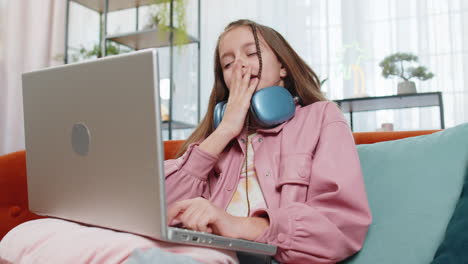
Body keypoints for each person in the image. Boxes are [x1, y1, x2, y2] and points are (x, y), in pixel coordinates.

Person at [164, 19, 372, 264]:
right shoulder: (216, 142)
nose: (239, 65)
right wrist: (225, 131)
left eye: (251, 53)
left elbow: (340, 225)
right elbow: (156, 212)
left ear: (282, 66)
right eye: (228, 63)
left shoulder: (322, 118)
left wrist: (237, 226)